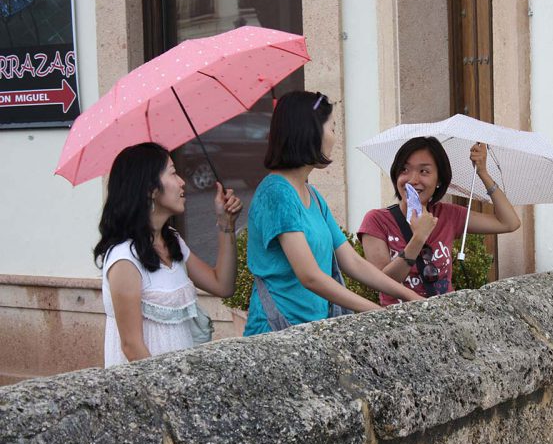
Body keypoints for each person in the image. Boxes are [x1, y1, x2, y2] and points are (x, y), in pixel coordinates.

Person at [243, 91, 423, 336]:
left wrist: (409, 296)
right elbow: (310, 276)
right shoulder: (277, 193)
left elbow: (352, 262)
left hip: (311, 330)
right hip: (276, 332)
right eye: (333, 128)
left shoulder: (312, 195)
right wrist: (376, 312)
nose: (335, 138)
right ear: (310, 132)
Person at [94, 143, 243, 367]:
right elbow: (131, 346)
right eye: (173, 173)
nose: (182, 182)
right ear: (150, 189)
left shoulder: (173, 241)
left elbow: (222, 285)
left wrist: (226, 225)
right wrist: (168, 394)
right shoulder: (124, 258)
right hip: (150, 388)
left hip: (181, 378)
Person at [358, 136, 521, 305]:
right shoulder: (377, 221)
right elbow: (381, 283)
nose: (412, 180)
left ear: (439, 180)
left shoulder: (447, 215)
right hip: (402, 324)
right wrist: (418, 239)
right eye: (404, 170)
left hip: (444, 318)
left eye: (424, 171)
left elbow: (509, 223)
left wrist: (483, 173)